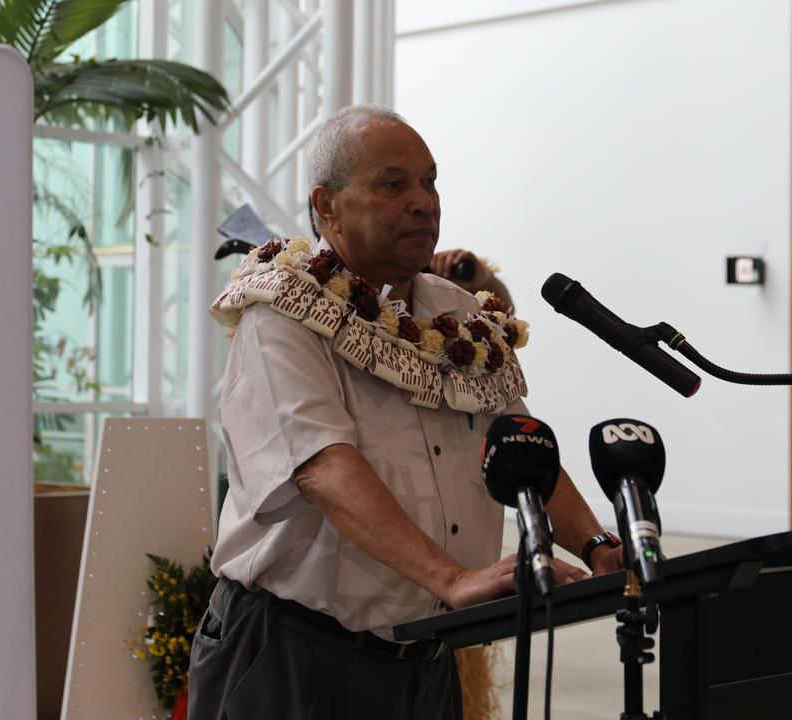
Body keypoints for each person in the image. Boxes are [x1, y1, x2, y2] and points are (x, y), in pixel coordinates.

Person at [188, 106, 623, 720]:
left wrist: (598, 544)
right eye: (394, 185)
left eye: (430, 181)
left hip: (423, 659)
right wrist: (451, 579)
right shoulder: (280, 312)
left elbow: (520, 444)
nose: (423, 202)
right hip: (292, 653)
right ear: (327, 205)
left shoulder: (462, 316)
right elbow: (322, 469)